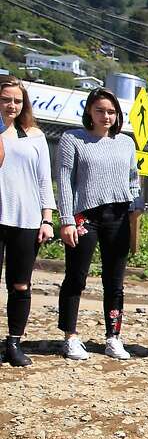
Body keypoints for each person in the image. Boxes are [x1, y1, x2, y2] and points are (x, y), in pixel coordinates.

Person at [55, 88, 144, 361]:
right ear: (89, 112)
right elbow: (65, 181)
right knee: (76, 277)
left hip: (117, 216)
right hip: (85, 216)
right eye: (100, 110)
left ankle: (113, 336)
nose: (106, 116)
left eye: (111, 111)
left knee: (115, 281)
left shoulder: (126, 142)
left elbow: (133, 178)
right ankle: (70, 336)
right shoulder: (73, 139)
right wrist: (66, 219)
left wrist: (135, 209)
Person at [0, 76, 55, 367]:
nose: (12, 105)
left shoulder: (34, 135)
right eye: (6, 99)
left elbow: (45, 178)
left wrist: (47, 218)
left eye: (17, 100)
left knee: (20, 284)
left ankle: (13, 342)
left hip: (25, 218)